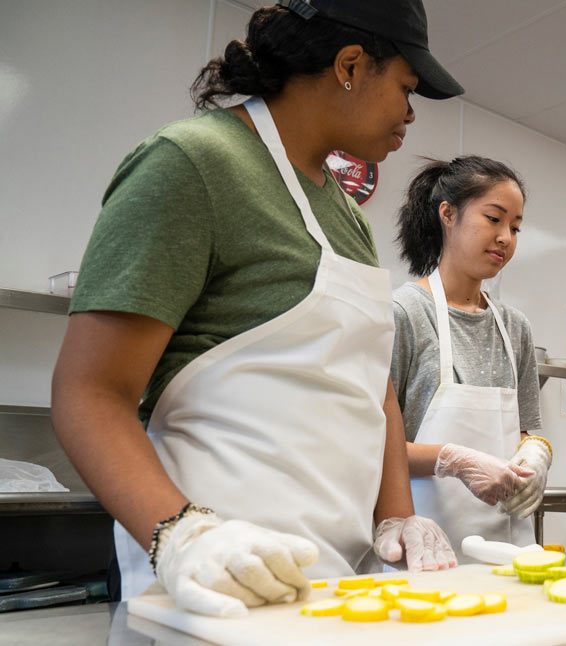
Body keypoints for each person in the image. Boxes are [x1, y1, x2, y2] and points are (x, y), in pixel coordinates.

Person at [50, 0, 461, 618]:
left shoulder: (350, 219)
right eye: (406, 88)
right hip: (217, 583)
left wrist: (398, 513)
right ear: (350, 64)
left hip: (337, 582)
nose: (409, 114)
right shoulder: (193, 163)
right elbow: (89, 394)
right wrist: (185, 536)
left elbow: (372, 388)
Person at [390, 156, 551, 549]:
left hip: (510, 547)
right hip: (425, 544)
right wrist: (454, 459)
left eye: (515, 227)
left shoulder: (515, 327)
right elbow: (373, 445)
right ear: (448, 214)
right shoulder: (405, 313)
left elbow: (526, 431)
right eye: (493, 219)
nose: (506, 238)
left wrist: (536, 455)